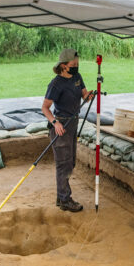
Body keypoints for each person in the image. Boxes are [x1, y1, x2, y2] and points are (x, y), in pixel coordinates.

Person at [42, 48, 93, 212]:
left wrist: (89, 96)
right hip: (61, 127)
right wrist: (55, 123)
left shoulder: (77, 77)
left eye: (77, 63)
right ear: (64, 66)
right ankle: (65, 199)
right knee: (63, 165)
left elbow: (84, 95)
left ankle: (60, 197)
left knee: (70, 163)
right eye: (74, 64)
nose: (77, 66)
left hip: (73, 124)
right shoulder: (56, 84)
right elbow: (45, 108)